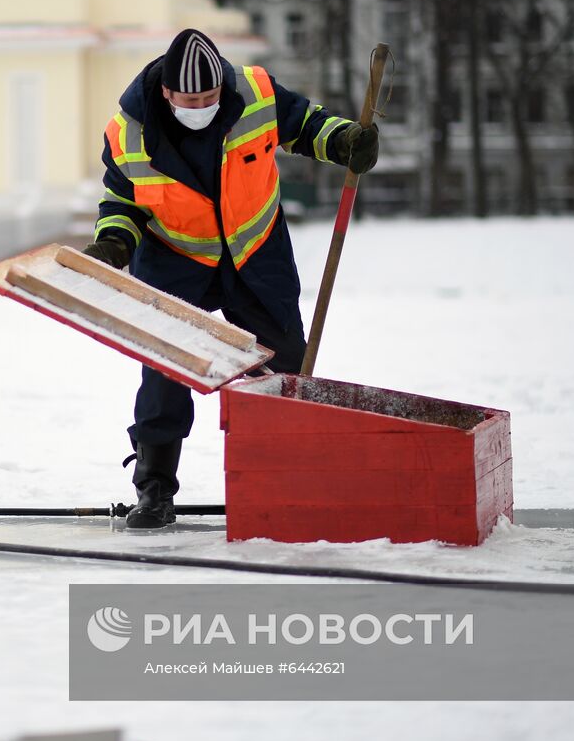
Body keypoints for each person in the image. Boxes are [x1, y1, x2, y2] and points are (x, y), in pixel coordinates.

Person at [83, 27, 379, 530]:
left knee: (282, 367)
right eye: (189, 99)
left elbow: (306, 125)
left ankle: (286, 481)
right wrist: (114, 242)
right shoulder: (127, 131)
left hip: (255, 253)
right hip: (175, 257)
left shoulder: (255, 92)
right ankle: (154, 488)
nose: (200, 105)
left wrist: (345, 139)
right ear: (166, 93)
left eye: (210, 96)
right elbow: (121, 203)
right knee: (164, 372)